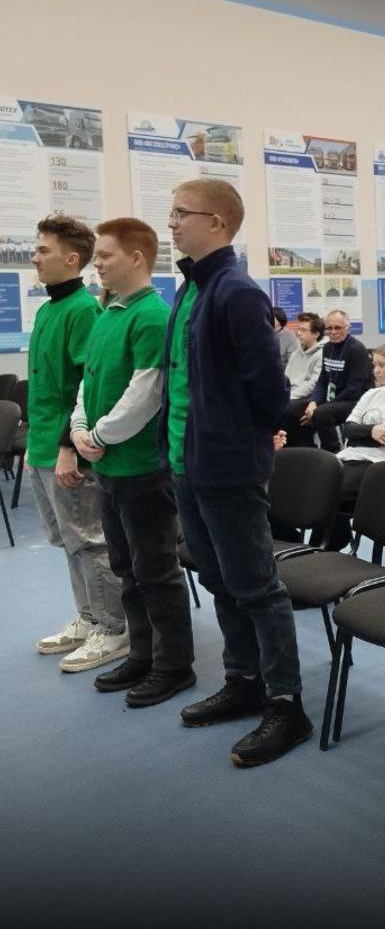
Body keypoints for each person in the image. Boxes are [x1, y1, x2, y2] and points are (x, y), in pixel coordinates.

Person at [163, 178, 311, 767]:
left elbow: (269, 390)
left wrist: (238, 441)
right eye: (171, 212)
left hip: (226, 466)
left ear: (218, 222)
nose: (172, 222)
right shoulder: (189, 288)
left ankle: (286, 704)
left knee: (256, 586)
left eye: (182, 213)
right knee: (219, 579)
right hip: (186, 462)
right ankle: (243, 680)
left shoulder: (237, 291)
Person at [69, 218, 195, 705]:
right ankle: (142, 654)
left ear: (137, 258)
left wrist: (99, 434)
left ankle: (173, 665)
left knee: (155, 570)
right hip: (108, 467)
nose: (96, 264)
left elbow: (146, 393)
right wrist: (80, 427)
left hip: (142, 469)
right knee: (125, 566)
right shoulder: (108, 313)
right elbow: (88, 381)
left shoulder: (151, 315)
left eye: (105, 256)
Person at [29, 216, 128, 672]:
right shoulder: (48, 309)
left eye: (42, 250)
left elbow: (88, 387)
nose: (35, 257)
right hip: (42, 446)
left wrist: (68, 445)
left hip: (66, 447)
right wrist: (39, 447)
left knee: (90, 540)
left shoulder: (83, 311)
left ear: (71, 259)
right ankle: (89, 617)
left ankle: (114, 627)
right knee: (68, 541)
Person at [318, 342, 385, 551]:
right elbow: (347, 430)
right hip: (351, 456)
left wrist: (362, 432)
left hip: (382, 463)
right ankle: (323, 544)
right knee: (317, 485)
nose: (376, 370)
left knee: (331, 492)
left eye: (382, 365)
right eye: (374, 365)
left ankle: (326, 545)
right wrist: (371, 431)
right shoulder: (371, 394)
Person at [289, 309, 373, 453]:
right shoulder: (328, 348)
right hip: (333, 399)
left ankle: (333, 453)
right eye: (330, 328)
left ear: (348, 328)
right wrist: (314, 402)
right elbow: (322, 381)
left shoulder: (356, 350)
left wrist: (323, 405)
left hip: (355, 400)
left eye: (337, 328)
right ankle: (305, 449)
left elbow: (354, 389)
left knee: (321, 413)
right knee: (292, 408)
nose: (333, 332)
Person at [285, 312, 326, 400]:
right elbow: (285, 378)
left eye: (303, 330)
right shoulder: (295, 354)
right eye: (298, 329)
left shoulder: (322, 354)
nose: (298, 333)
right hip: (289, 395)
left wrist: (289, 396)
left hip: (305, 398)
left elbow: (313, 384)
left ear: (316, 334)